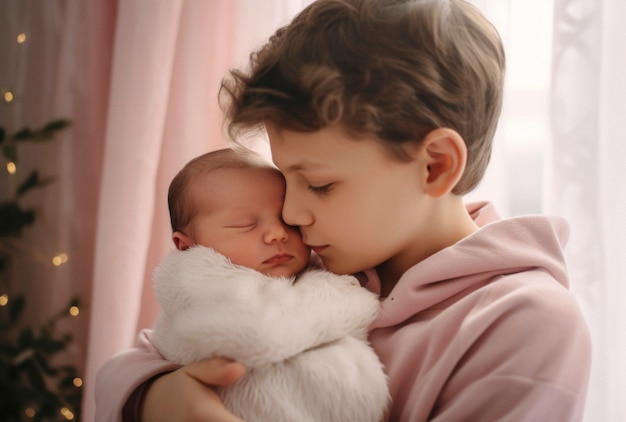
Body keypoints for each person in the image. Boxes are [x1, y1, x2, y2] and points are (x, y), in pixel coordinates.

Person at [95, 0, 592, 421]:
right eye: (284, 177)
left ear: (435, 166)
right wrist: (157, 397)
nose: (290, 213)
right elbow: (133, 359)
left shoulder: (522, 322)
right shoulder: (312, 261)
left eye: (319, 184)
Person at [149, 148, 389, 422]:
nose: (277, 233)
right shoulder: (196, 279)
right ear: (188, 245)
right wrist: (347, 291)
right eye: (245, 224)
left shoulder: (310, 267)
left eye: (286, 220)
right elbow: (260, 330)